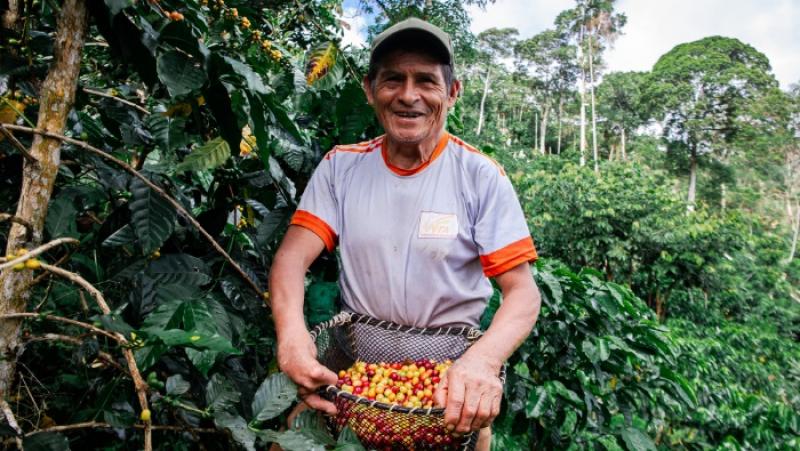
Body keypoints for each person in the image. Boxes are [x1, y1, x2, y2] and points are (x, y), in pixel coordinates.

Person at [269, 17, 541, 450]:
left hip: (444, 388)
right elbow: (290, 259)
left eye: (426, 81)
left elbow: (523, 294)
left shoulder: (479, 176)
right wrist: (293, 338)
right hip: (360, 379)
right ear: (369, 89)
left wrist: (481, 363)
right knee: (290, 436)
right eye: (393, 79)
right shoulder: (342, 167)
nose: (408, 95)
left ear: (452, 93)